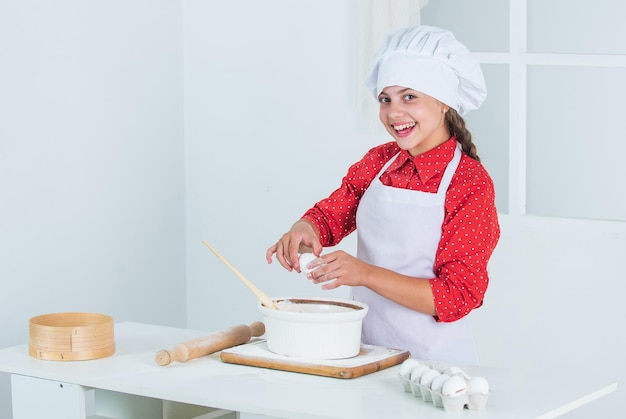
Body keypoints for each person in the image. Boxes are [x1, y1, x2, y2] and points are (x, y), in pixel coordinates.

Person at [265, 25, 500, 365]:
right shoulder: (378, 161)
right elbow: (331, 216)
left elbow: (455, 296)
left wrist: (364, 273)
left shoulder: (469, 184)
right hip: (363, 352)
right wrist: (305, 229)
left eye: (409, 97)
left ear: (444, 102)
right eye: (385, 99)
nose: (394, 113)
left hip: (436, 366)